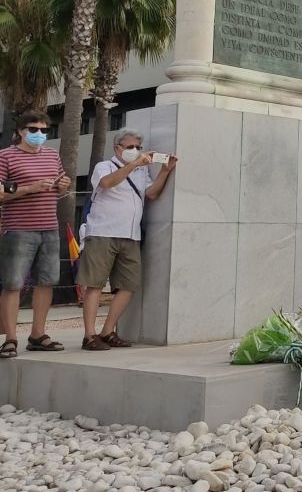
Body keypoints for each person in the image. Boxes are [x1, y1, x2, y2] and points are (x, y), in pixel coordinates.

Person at [78, 131, 177, 351]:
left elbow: (151, 194)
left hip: (131, 235)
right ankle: (89, 335)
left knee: (129, 285)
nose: (135, 150)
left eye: (138, 147)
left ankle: (108, 331)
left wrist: (164, 171)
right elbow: (106, 183)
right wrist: (134, 165)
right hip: (103, 233)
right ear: (117, 148)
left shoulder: (142, 171)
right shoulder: (104, 166)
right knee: (94, 284)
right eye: (130, 146)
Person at [0, 111, 71, 358]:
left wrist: (64, 184)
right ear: (20, 131)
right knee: (13, 284)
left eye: (43, 130)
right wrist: (29, 188)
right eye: (33, 129)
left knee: (46, 281)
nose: (39, 134)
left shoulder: (52, 155)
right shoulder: (6, 156)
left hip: (50, 227)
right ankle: (10, 338)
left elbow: (61, 180)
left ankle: (38, 334)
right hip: (18, 229)